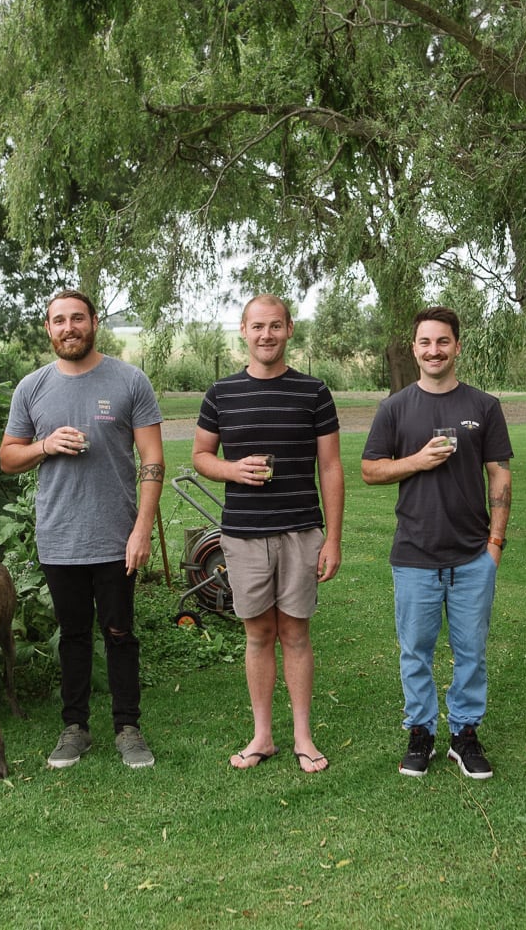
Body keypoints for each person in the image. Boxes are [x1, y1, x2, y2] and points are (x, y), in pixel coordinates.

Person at [0, 289, 165, 769]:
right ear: (48, 328)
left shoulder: (130, 380)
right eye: (58, 321)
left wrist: (142, 530)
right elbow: (9, 457)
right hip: (60, 536)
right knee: (72, 635)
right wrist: (45, 445)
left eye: (77, 318)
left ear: (94, 321)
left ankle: (127, 728)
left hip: (117, 537)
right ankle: (75, 727)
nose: (68, 327)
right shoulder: (31, 387)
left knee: (119, 633)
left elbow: (153, 459)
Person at [192, 294, 344, 774]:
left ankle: (303, 736)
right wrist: (233, 470)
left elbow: (331, 467)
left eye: (275, 326)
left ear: (289, 330)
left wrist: (333, 538)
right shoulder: (221, 393)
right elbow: (200, 456)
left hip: (301, 532)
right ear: (243, 330)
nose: (266, 335)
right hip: (243, 534)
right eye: (257, 327)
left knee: (296, 633)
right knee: (258, 633)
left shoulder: (314, 392)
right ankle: (263, 736)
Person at [362, 306, 512, 779]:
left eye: (443, 342)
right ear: (414, 348)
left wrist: (495, 545)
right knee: (416, 651)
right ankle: (421, 732)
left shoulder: (484, 406)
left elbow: (500, 476)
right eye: (425, 342)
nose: (434, 350)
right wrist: (416, 461)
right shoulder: (396, 408)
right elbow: (370, 470)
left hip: (472, 556)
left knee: (471, 650)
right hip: (414, 556)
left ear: (457, 347)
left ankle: (464, 735)